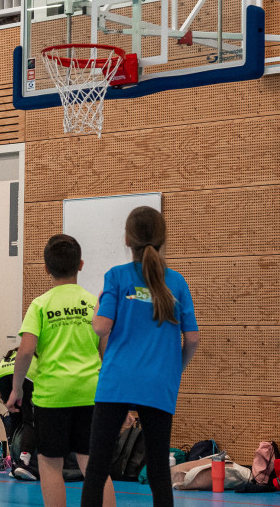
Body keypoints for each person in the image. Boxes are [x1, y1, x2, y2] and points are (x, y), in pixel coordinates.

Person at [80, 208, 200, 507]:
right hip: (159, 383)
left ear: (126, 238)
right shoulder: (177, 282)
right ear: (163, 239)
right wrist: (174, 369)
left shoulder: (116, 277)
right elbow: (193, 338)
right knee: (159, 470)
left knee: (97, 468)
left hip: (117, 382)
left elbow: (101, 326)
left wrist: (98, 307)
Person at [7, 234, 113, 507]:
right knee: (93, 464)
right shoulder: (93, 303)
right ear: (80, 265)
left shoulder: (40, 305)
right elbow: (106, 351)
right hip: (91, 393)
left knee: (50, 465)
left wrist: (16, 389)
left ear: (46, 268)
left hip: (52, 395)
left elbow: (26, 351)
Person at [0, 347, 38, 481]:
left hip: (2, 373)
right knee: (31, 420)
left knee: (15, 416)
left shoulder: (16, 351)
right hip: (25, 374)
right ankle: (24, 462)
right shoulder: (38, 353)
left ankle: (15, 462)